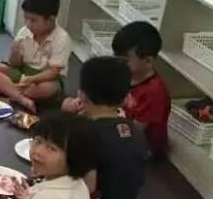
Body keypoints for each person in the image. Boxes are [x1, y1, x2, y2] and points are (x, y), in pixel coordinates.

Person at [62, 21, 171, 157]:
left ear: (147, 60)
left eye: (125, 60)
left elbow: (134, 131)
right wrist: (80, 104)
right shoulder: (122, 74)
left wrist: (96, 117)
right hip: (114, 123)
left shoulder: (154, 92)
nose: (118, 63)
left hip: (141, 144)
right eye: (116, 57)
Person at [79, 56, 147, 199]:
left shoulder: (88, 133)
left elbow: (88, 187)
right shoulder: (134, 130)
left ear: (82, 95)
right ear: (124, 98)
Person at [0, 0, 72, 113]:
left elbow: (53, 72)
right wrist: (14, 53)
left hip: (46, 78)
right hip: (22, 73)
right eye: (26, 18)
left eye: (34, 20)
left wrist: (32, 79)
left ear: (51, 20)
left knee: (44, 89)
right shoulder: (25, 31)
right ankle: (20, 97)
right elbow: (14, 64)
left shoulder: (62, 38)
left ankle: (7, 90)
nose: (29, 24)